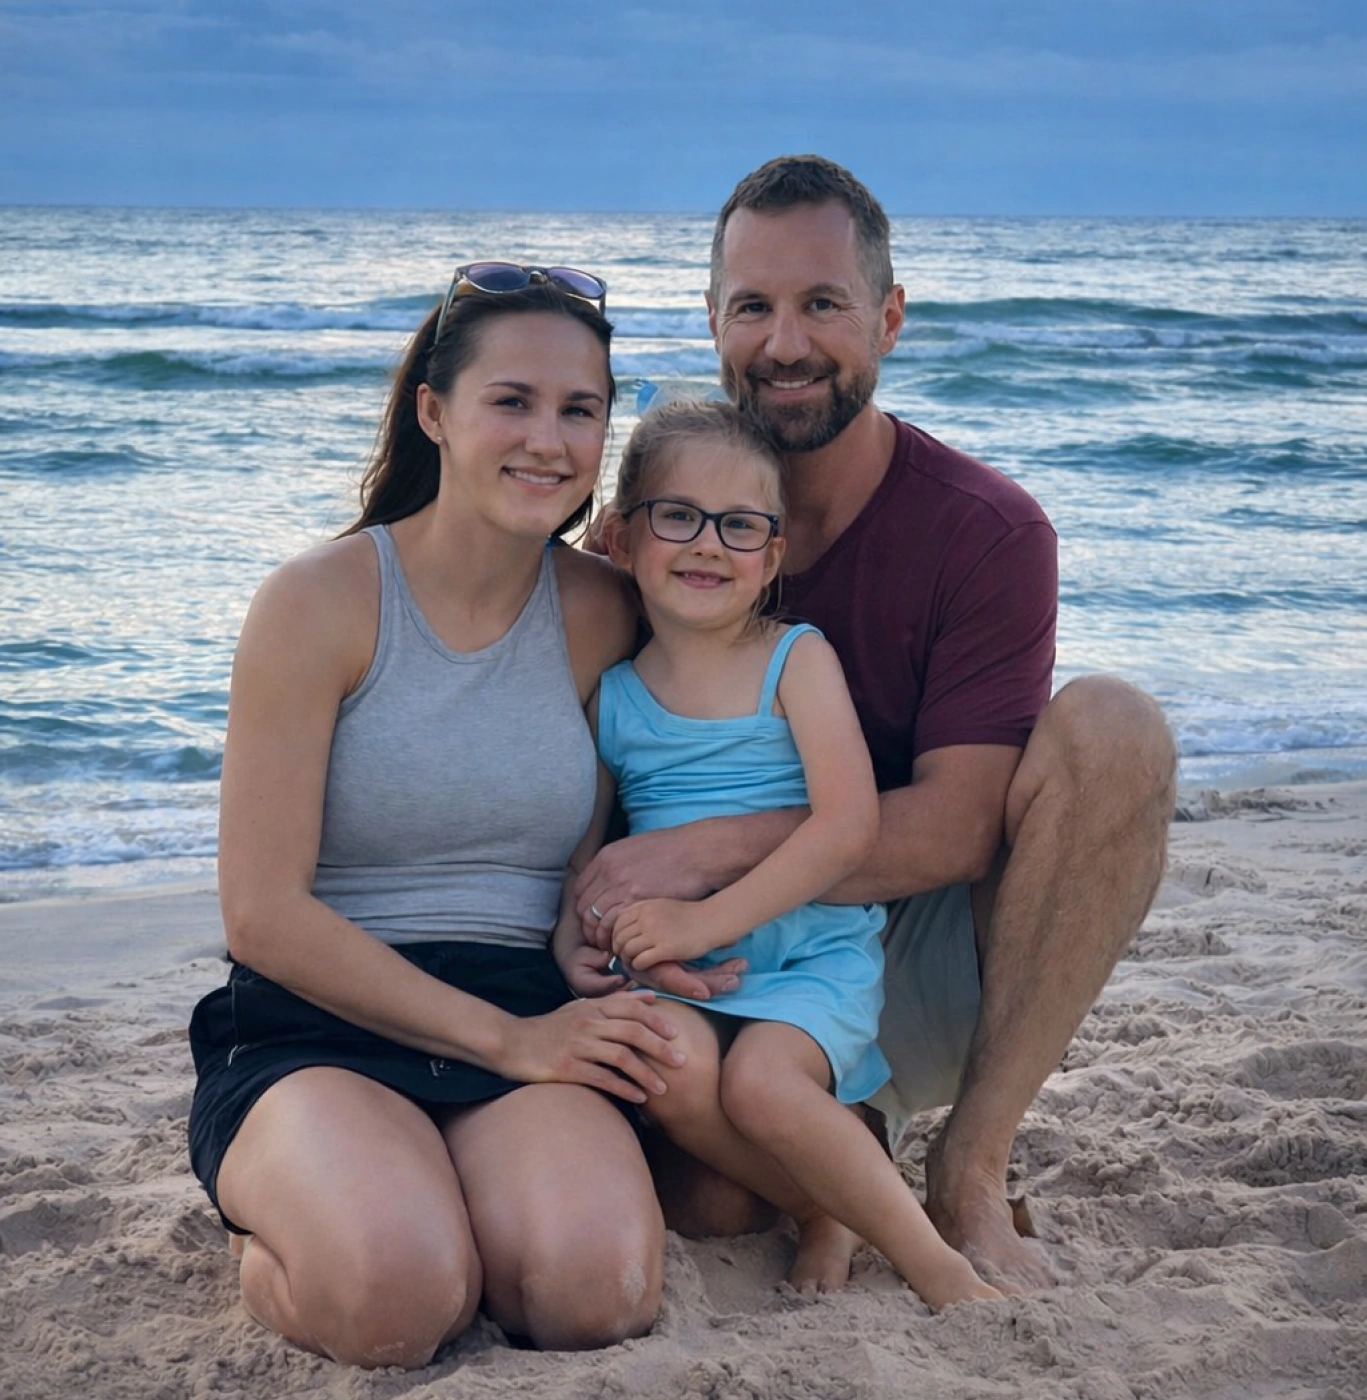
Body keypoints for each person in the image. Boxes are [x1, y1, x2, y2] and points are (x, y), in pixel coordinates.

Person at [575, 157, 1178, 1291]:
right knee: (708, 1204)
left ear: (888, 318)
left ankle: (968, 1164)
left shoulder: (984, 528)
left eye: (822, 304)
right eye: (752, 306)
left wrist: (708, 849)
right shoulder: (654, 542)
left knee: (1115, 729)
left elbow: (955, 829)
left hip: (917, 954)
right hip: (711, 965)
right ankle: (844, 1145)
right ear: (710, 320)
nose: (785, 342)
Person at [186, 264, 740, 1367]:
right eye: (512, 401)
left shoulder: (601, 615)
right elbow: (260, 914)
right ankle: (289, 1228)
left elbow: (661, 794)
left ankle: (442, 1193)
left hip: (524, 1005)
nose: (548, 438)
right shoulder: (318, 602)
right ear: (434, 413)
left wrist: (592, 942)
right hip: (319, 1023)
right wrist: (510, 1041)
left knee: (594, 1293)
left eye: (579, 409)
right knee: (396, 1297)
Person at [556, 399, 1001, 1308]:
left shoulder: (794, 660)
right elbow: (586, 851)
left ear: (776, 552)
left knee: (763, 1082)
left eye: (741, 525)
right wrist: (576, 940)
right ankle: (822, 1208)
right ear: (617, 537)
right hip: (677, 967)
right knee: (663, 1065)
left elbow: (847, 827)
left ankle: (936, 1269)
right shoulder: (614, 699)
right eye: (677, 515)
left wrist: (702, 919)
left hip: (806, 947)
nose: (707, 545)